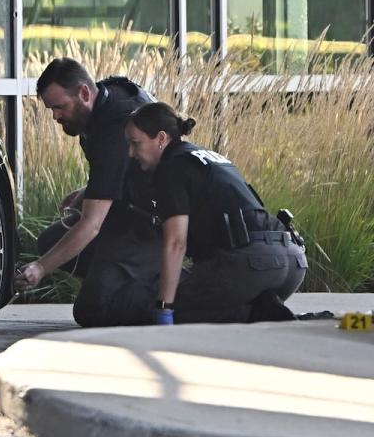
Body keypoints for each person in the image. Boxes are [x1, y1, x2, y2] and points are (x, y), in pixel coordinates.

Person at [124, 102, 307, 324]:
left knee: (152, 307)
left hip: (252, 265)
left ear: (161, 138)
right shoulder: (207, 156)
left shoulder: (171, 168)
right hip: (291, 261)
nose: (131, 153)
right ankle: (263, 307)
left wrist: (165, 308)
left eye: (135, 143)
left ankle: (258, 314)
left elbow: (176, 243)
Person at [15, 58, 161, 327]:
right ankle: (113, 277)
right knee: (52, 240)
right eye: (51, 109)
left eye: (60, 107)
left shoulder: (116, 126)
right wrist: (88, 190)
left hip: (151, 227)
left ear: (83, 93)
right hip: (128, 214)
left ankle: (165, 286)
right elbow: (126, 169)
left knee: (92, 310)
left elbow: (91, 224)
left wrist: (40, 268)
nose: (55, 116)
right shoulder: (104, 98)